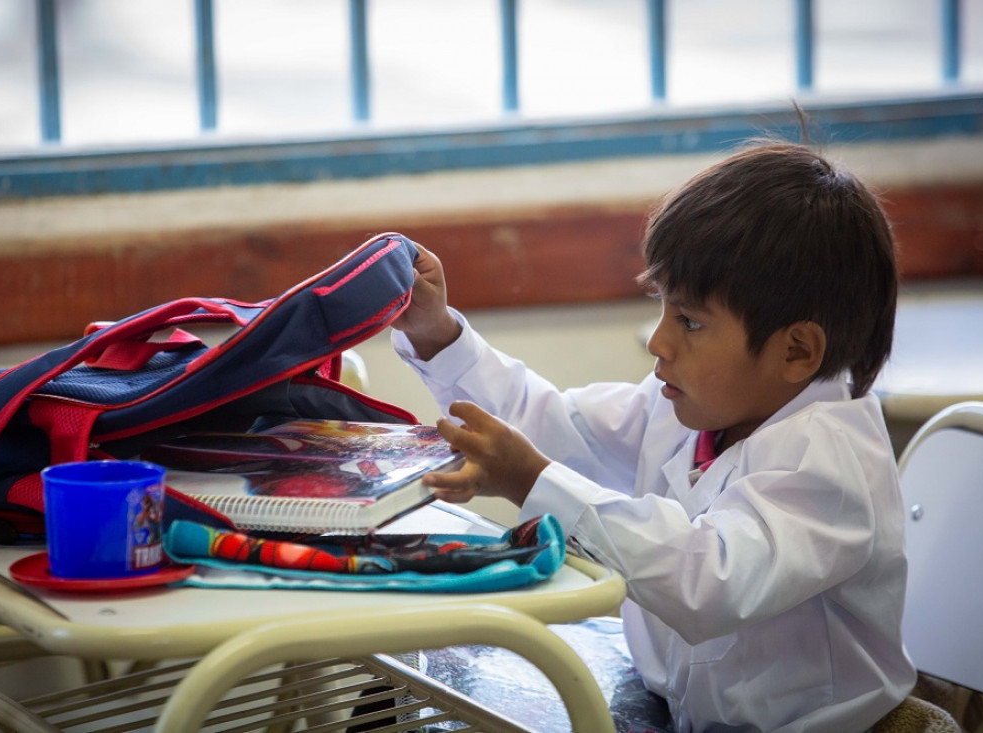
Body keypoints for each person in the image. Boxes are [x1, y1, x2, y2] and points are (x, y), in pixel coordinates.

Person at [391, 142, 918, 732]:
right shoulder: (688, 407)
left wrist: (532, 481)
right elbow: (558, 429)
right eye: (663, 308)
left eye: (690, 321)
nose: (659, 342)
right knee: (405, 703)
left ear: (795, 351)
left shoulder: (831, 461)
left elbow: (710, 580)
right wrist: (437, 334)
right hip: (672, 709)